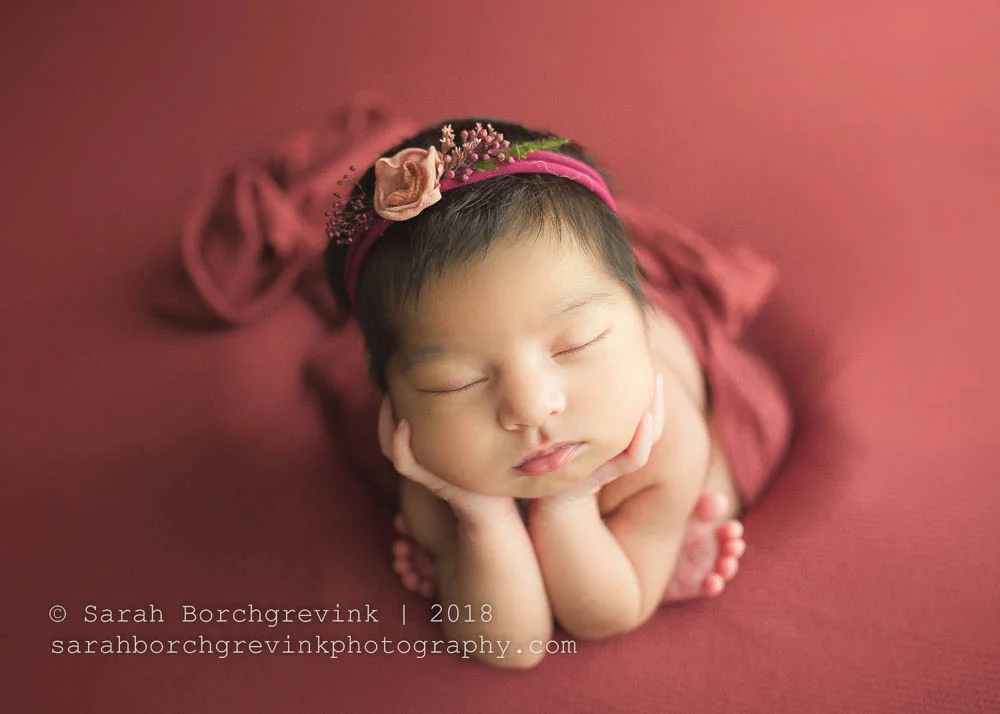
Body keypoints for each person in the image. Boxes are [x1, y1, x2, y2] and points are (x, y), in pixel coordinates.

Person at [323, 118, 787, 669]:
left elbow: (608, 614)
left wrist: (568, 503)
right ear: (397, 399)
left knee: (718, 492)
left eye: (577, 346)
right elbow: (512, 648)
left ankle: (651, 535)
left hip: (671, 392)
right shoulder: (434, 461)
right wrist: (482, 519)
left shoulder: (663, 434)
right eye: (456, 381)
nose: (531, 408)